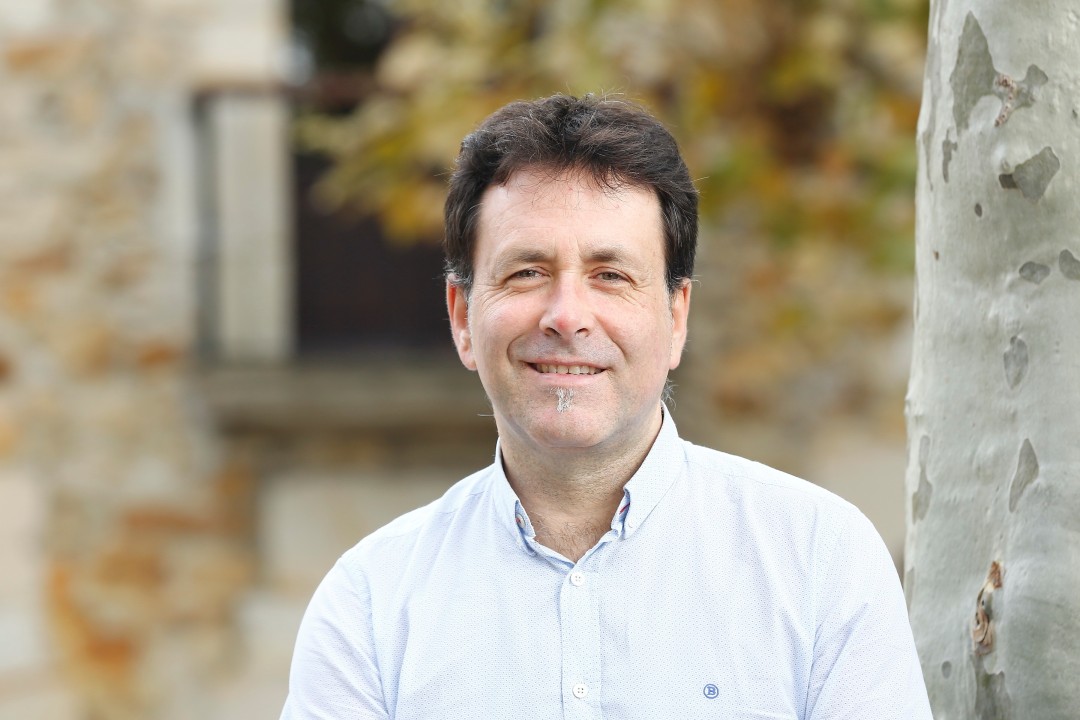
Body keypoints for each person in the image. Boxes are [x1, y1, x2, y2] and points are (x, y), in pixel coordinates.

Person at [280, 93, 932, 719]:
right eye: (527, 272)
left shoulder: (820, 563)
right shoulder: (371, 604)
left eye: (610, 276)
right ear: (461, 317)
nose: (567, 315)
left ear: (676, 317)